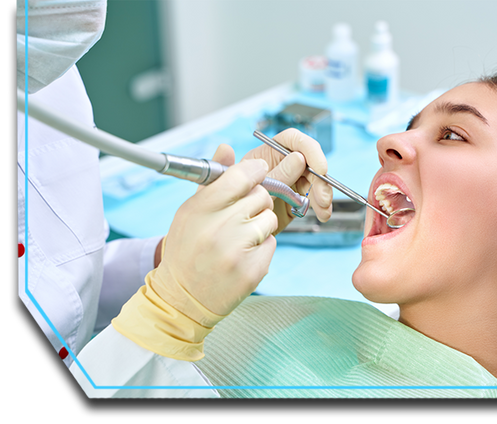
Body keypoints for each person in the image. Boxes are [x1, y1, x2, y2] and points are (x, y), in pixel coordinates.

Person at [70, 73, 497, 399]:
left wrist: (169, 315)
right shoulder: (335, 332)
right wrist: (174, 279)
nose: (388, 143)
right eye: (410, 127)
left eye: (453, 135)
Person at [17, 0, 332, 396]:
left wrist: (173, 260)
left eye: (439, 134)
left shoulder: (41, 60)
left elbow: (51, 276)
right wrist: (168, 311)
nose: (394, 143)